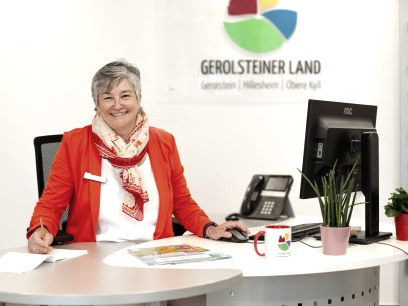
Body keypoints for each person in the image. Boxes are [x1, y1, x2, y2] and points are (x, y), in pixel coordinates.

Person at [27, 59, 249, 254]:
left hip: (156, 251)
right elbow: (51, 205)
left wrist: (209, 228)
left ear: (139, 98)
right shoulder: (75, 143)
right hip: (95, 256)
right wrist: (39, 230)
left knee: (195, 297)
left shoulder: (164, 142)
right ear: (96, 103)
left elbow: (182, 202)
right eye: (107, 98)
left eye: (125, 95)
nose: (117, 105)